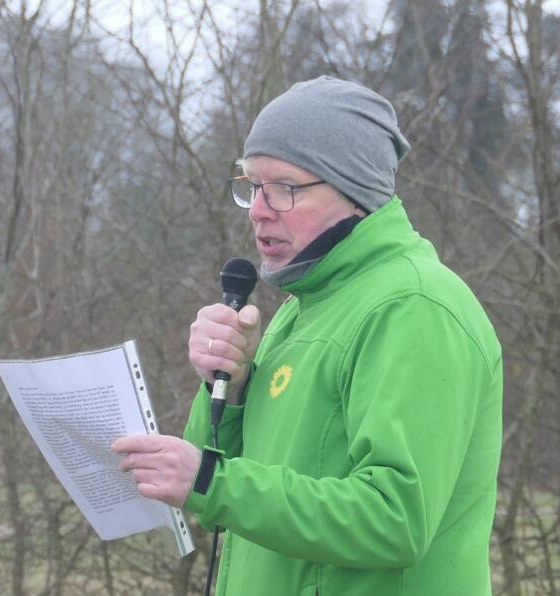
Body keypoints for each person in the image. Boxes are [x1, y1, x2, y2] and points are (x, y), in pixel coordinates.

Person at [112, 76, 502, 595]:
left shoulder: (413, 307)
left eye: (284, 189)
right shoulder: (304, 309)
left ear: (354, 191)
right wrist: (229, 389)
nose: (257, 209)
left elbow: (396, 519)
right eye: (251, 186)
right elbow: (226, 503)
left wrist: (208, 479)